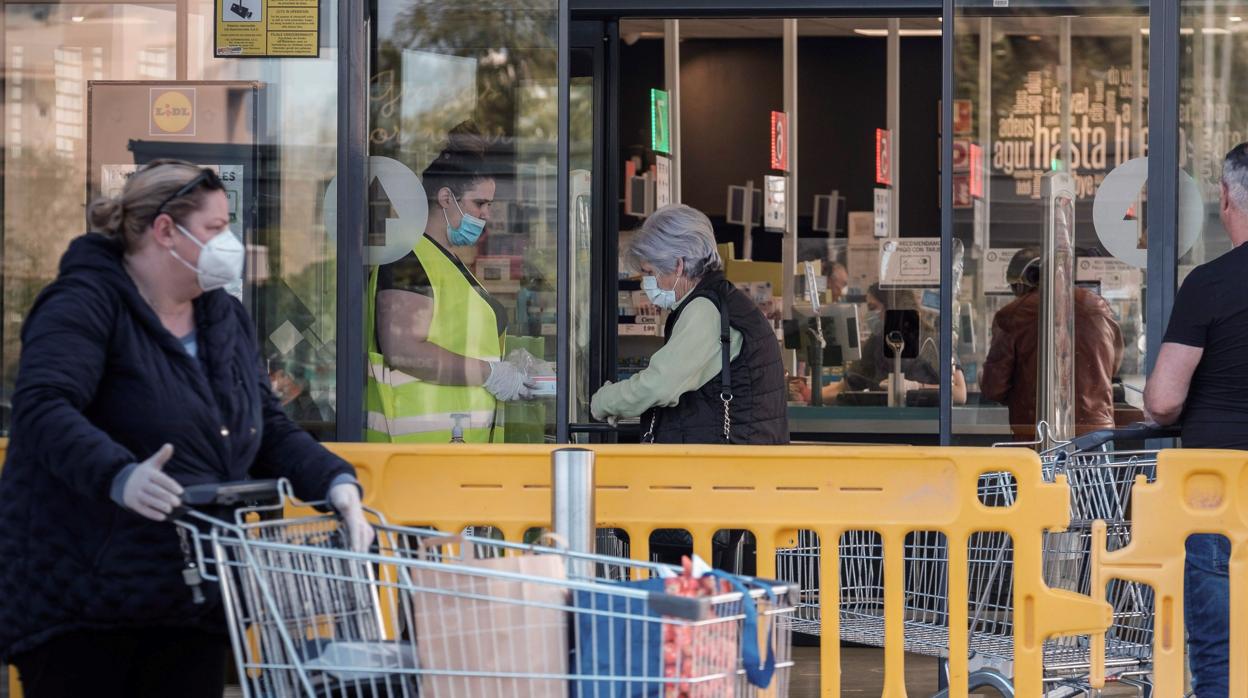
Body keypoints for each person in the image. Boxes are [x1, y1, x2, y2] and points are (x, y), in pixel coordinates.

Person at [0, 160, 374, 697]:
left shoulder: (223, 316)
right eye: (215, 229)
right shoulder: (85, 302)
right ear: (164, 231)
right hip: (86, 599)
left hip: (192, 593)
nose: (231, 243)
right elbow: (43, 406)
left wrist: (335, 483)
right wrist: (118, 475)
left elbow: (264, 426)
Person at [1144, 143, 1248, 698]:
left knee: (1222, 661)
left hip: (1217, 494)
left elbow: (1162, 401)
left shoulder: (1208, 284)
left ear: (1226, 198)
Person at [367, 122, 534, 443]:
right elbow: (403, 350)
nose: (487, 215)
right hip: (415, 450)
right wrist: (489, 373)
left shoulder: (446, 261)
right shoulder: (409, 260)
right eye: (479, 204)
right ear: (446, 198)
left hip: (450, 445)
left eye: (489, 205)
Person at [591, 204, 788, 444]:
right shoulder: (723, 301)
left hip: (725, 469)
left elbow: (658, 385)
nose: (646, 283)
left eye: (649, 272)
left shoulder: (705, 309)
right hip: (739, 462)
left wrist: (604, 401)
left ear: (678, 265)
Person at [980, 247, 1123, 441]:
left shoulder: (1013, 314)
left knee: (1042, 473)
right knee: (1095, 473)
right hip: (1097, 432)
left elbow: (993, 388)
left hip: (1037, 434)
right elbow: (1112, 367)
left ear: (1023, 283)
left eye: (1013, 288)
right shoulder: (1097, 306)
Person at [816, 284, 967, 405]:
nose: (869, 315)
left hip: (927, 427)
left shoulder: (933, 341)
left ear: (891, 308)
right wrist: (811, 394)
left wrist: (916, 388)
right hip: (883, 425)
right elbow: (845, 387)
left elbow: (959, 393)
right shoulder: (876, 343)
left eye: (873, 307)